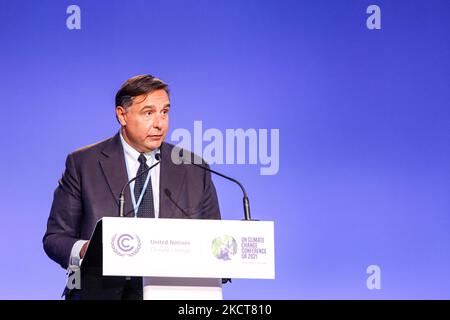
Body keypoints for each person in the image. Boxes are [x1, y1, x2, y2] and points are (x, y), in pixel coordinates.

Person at [43, 74, 221, 299]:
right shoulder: (83, 164)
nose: (159, 123)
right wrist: (86, 250)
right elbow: (56, 238)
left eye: (164, 112)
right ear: (122, 115)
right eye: (148, 113)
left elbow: (216, 240)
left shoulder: (194, 168)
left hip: (175, 292)